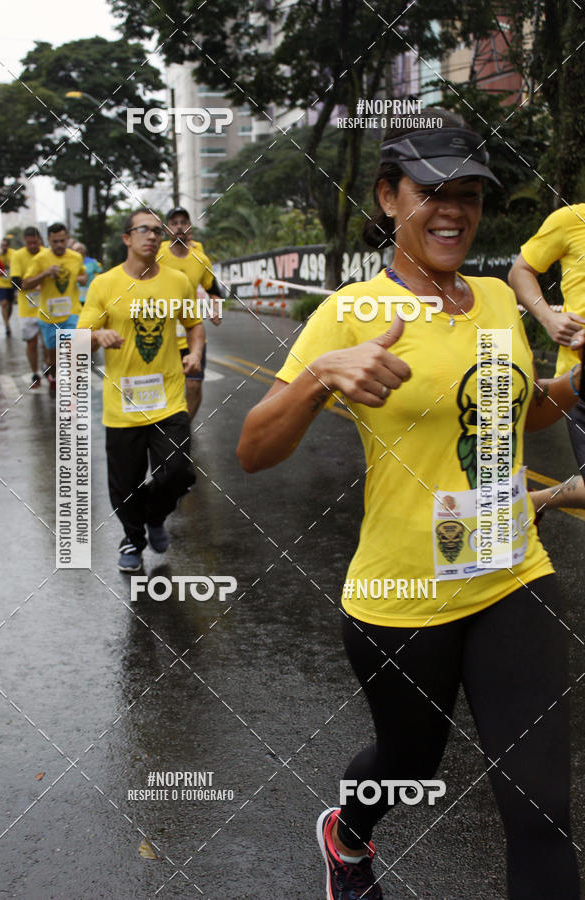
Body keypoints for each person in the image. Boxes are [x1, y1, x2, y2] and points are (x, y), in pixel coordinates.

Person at [238, 111, 583, 899]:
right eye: (432, 191)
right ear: (389, 197)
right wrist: (325, 374)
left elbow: (515, 409)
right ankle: (349, 836)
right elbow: (254, 452)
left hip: (511, 573)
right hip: (402, 597)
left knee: (542, 812)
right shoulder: (350, 312)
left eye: (469, 193)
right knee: (408, 760)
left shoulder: (498, 299)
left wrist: (573, 387)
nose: (454, 209)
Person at [78, 208, 204, 573]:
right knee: (125, 484)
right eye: (144, 230)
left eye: (157, 231)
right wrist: (97, 335)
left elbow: (194, 325)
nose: (152, 236)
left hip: (168, 399)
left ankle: (153, 516)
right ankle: (132, 540)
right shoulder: (104, 284)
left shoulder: (177, 281)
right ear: (127, 238)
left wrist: (194, 352)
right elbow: (79, 338)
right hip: (123, 405)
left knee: (178, 473)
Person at [509, 208, 585, 471]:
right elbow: (520, 271)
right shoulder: (570, 220)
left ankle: (540, 499)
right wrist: (548, 318)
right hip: (580, 381)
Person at [158, 206, 222, 419]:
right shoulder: (156, 255)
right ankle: (166, 425)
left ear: (190, 228)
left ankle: (183, 426)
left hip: (191, 334)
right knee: (166, 387)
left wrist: (216, 310)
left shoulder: (200, 259)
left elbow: (214, 290)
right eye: (174, 222)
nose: (179, 227)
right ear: (167, 229)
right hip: (161, 334)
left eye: (183, 222)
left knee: (193, 386)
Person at [22, 223, 86, 391]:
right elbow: (25, 284)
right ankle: (53, 373)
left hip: (71, 313)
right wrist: (45, 273)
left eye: (62, 241)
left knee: (70, 350)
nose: (59, 245)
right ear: (48, 239)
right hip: (48, 316)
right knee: (53, 358)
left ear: (67, 239)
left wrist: (82, 279)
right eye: (55, 241)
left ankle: (70, 391)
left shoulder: (75, 257)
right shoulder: (40, 259)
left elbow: (82, 275)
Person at [9, 227, 44, 388]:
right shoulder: (18, 256)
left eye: (34, 242)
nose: (32, 246)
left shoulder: (46, 254)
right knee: (32, 343)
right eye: (29, 243)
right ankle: (35, 372)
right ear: (25, 241)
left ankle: (48, 367)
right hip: (27, 308)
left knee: (49, 343)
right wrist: (35, 284)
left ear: (40, 240)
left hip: (47, 307)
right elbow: (16, 283)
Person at [0, 237, 15, 337]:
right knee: (3, 303)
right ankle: (7, 325)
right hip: (0, 283)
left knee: (10, 305)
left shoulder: (13, 253)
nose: (4, 247)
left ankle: (7, 320)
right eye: (2, 245)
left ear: (8, 246)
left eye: (5, 245)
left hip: (11, 283)